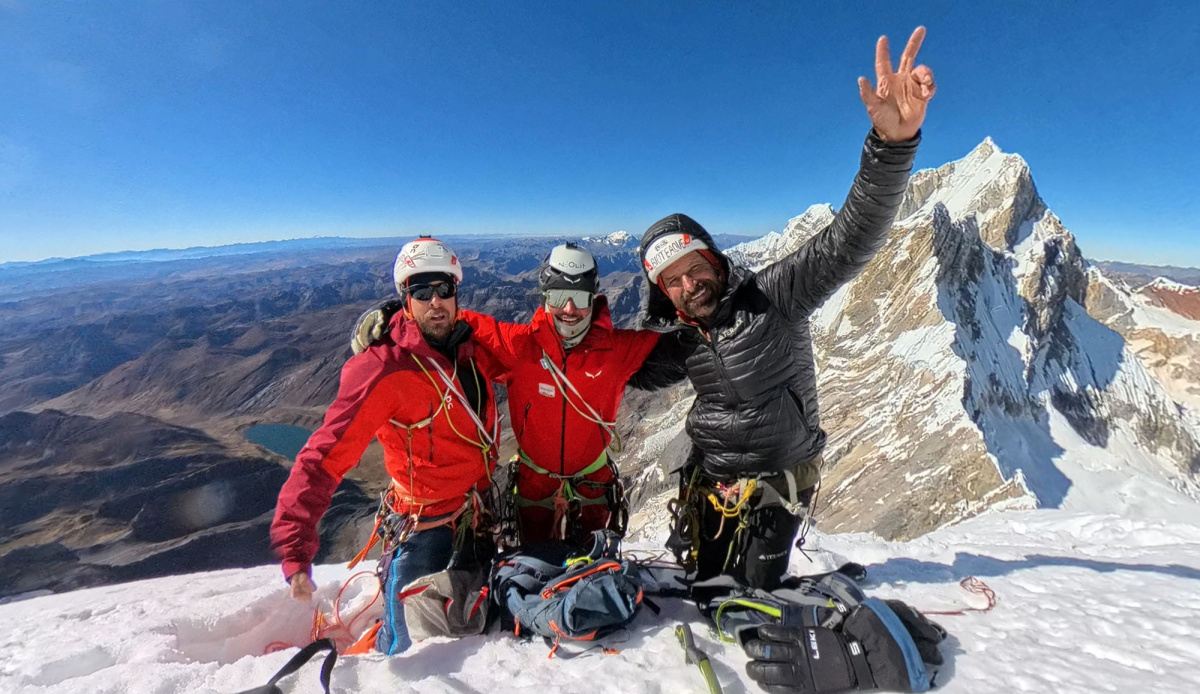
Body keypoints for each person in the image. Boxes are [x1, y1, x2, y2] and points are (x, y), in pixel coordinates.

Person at [639, 27, 936, 591]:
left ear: (716, 260)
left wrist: (892, 145)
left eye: (694, 267)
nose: (689, 284)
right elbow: (618, 370)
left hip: (777, 482)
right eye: (672, 281)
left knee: (751, 599)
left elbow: (850, 239)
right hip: (710, 481)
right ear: (664, 294)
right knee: (703, 593)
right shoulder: (684, 341)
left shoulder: (773, 297)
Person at [353, 242, 684, 547]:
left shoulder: (618, 350)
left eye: (580, 298)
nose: (569, 309)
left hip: (591, 488)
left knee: (593, 566)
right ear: (545, 298)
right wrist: (396, 315)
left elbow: (683, 348)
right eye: (558, 297)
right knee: (537, 566)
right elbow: (444, 319)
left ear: (594, 299)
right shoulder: (518, 346)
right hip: (537, 489)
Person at [271, 236, 504, 655]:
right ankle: (375, 645)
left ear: (456, 293)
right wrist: (295, 549)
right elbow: (323, 458)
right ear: (405, 300)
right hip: (423, 528)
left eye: (444, 289)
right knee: (408, 650)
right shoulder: (383, 367)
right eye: (421, 292)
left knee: (471, 630)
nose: (435, 302)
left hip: (477, 518)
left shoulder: (469, 347)